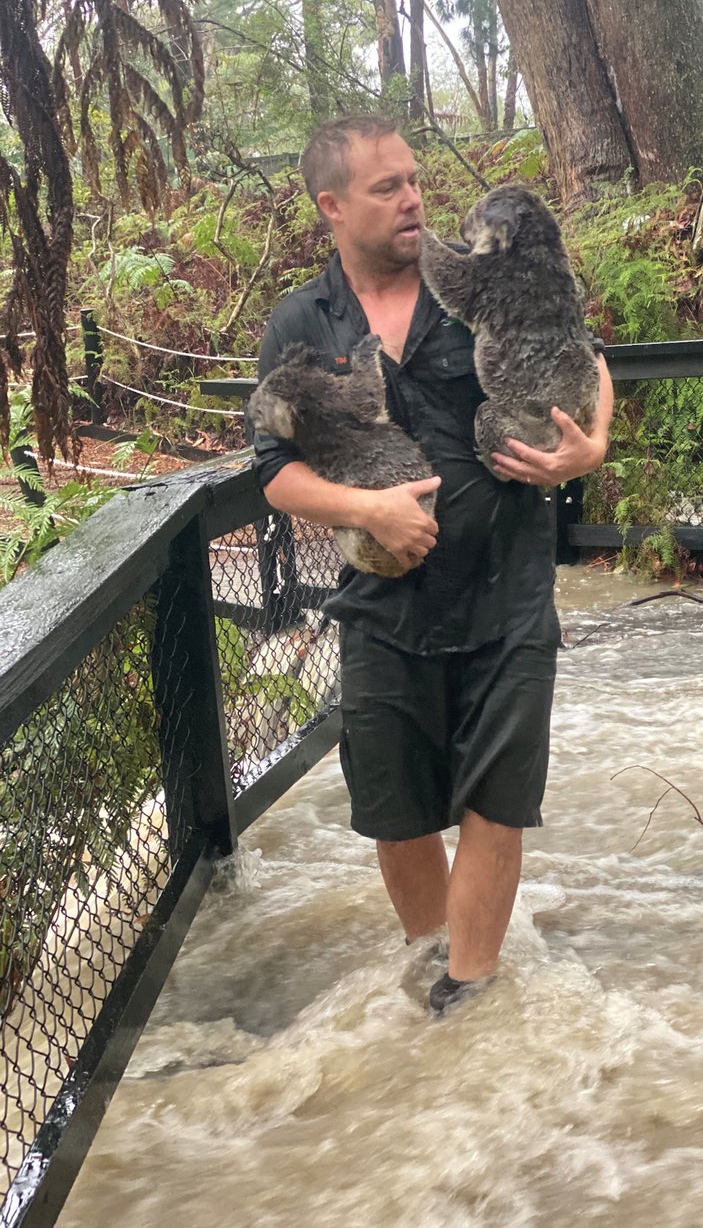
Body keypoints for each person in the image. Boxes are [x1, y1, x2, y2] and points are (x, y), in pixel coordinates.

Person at [253, 115, 613, 1014]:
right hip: (382, 602)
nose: (414, 199)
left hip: (508, 588)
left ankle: (469, 997)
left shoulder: (473, 280)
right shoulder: (302, 322)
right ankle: (436, 969)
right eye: (388, 188)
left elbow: (585, 356)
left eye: (414, 181)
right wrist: (366, 508)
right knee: (396, 809)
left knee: (499, 800)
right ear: (331, 206)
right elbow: (274, 472)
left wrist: (590, 446)